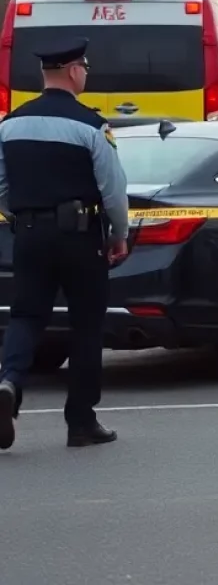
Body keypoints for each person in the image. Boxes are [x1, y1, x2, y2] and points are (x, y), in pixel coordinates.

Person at [0, 37, 129, 450]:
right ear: (74, 70)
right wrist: (120, 234)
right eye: (85, 68)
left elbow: (1, 185)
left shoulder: (10, 123)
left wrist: (23, 215)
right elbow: (113, 189)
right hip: (80, 237)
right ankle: (81, 421)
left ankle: (8, 384)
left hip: (30, 235)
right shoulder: (92, 125)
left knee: (25, 316)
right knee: (87, 326)